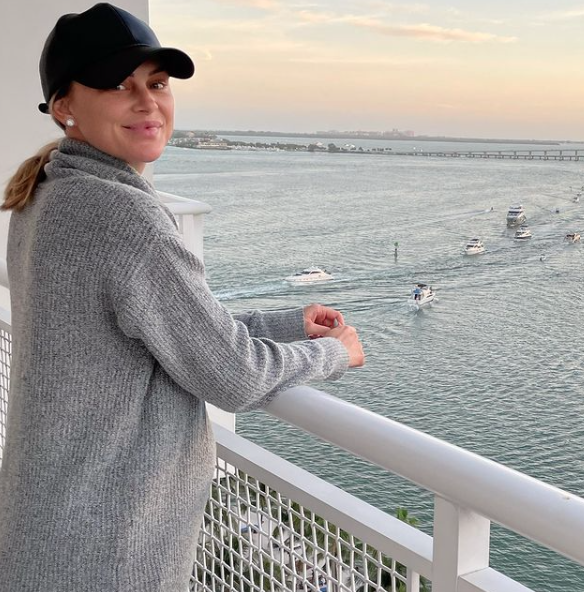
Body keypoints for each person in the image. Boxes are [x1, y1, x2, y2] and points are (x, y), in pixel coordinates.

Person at [0, 4, 365, 591]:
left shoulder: (48, 194)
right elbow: (232, 376)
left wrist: (289, 323)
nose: (148, 103)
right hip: (107, 548)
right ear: (65, 107)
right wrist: (334, 354)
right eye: (119, 86)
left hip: (45, 527)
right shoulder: (124, 215)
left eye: (158, 83)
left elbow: (165, 329)